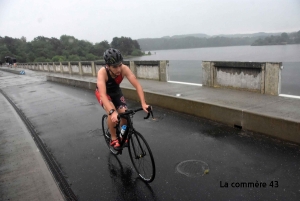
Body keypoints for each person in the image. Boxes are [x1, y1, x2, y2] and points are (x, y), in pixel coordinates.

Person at [95, 48, 149, 149]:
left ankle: (122, 134)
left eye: (120, 65)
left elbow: (137, 85)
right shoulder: (102, 73)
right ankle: (114, 137)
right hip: (104, 93)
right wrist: (112, 112)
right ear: (108, 66)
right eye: (115, 67)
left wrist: (143, 103)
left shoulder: (124, 69)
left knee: (124, 113)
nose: (119, 69)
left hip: (116, 91)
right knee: (112, 112)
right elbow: (102, 95)